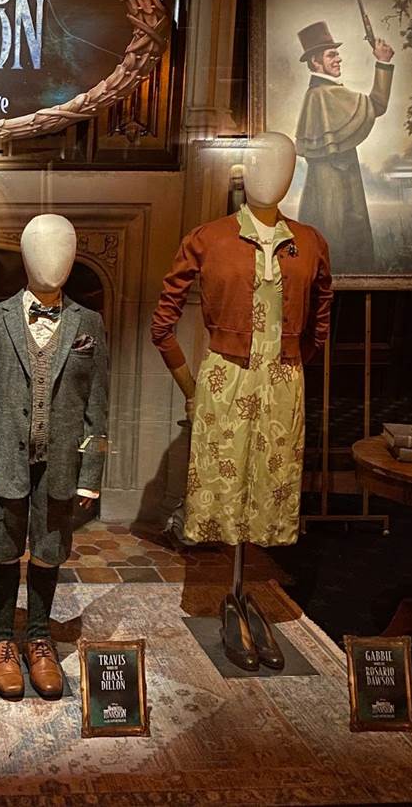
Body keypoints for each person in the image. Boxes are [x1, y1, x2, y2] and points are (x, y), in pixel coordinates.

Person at [151, 132, 333, 672]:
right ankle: (230, 602)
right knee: (226, 490)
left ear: (294, 174)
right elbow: (162, 323)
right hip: (225, 380)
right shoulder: (209, 238)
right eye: (258, 163)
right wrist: (192, 388)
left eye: (282, 165)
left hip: (284, 382)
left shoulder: (310, 242)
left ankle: (248, 597)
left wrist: (292, 360)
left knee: (270, 491)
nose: (269, 174)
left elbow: (322, 315)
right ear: (242, 171)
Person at [0, 214, 108, 700]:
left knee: (49, 550)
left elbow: (98, 407)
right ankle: (2, 641)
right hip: (3, 464)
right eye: (42, 249)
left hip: (60, 464)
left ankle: (39, 638)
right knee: (2, 549)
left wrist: (91, 471)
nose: (53, 260)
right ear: (24, 256)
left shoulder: (89, 324)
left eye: (64, 249)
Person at [293, 20, 395, 274]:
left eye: (337, 53)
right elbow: (378, 104)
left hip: (335, 183)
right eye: (331, 54)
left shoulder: (318, 93)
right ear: (315, 61)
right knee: (337, 238)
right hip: (335, 188)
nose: (338, 59)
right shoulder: (325, 94)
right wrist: (382, 62)